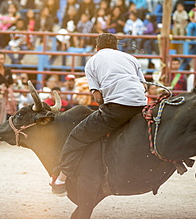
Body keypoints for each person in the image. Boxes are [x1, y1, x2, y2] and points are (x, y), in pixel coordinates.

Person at [50, 33, 147, 196]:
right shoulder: (131, 58)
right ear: (116, 46)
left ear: (97, 47)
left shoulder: (92, 61)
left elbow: (97, 97)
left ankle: (61, 180)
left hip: (116, 108)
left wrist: (106, 103)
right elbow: (143, 87)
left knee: (76, 136)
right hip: (140, 106)